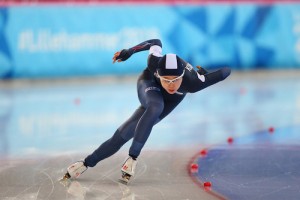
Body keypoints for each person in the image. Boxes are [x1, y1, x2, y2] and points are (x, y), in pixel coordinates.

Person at [62, 39, 231, 183]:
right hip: (149, 84)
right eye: (166, 80)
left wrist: (206, 78)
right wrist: (129, 51)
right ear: (159, 73)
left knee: (125, 133)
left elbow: (225, 72)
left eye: (175, 80)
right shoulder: (153, 63)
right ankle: (133, 158)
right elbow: (156, 42)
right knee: (156, 106)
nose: (171, 85)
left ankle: (85, 163)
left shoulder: (194, 83)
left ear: (182, 77)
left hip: (172, 101)